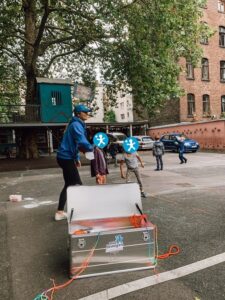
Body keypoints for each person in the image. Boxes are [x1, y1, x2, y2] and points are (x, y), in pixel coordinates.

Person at [55, 104, 94, 221]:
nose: (87, 114)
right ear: (78, 114)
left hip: (66, 157)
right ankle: (83, 210)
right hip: (65, 158)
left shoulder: (76, 124)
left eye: (87, 112)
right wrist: (92, 147)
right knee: (77, 183)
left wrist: (76, 158)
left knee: (70, 184)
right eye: (85, 112)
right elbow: (82, 142)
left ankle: (60, 211)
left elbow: (74, 144)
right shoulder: (77, 125)